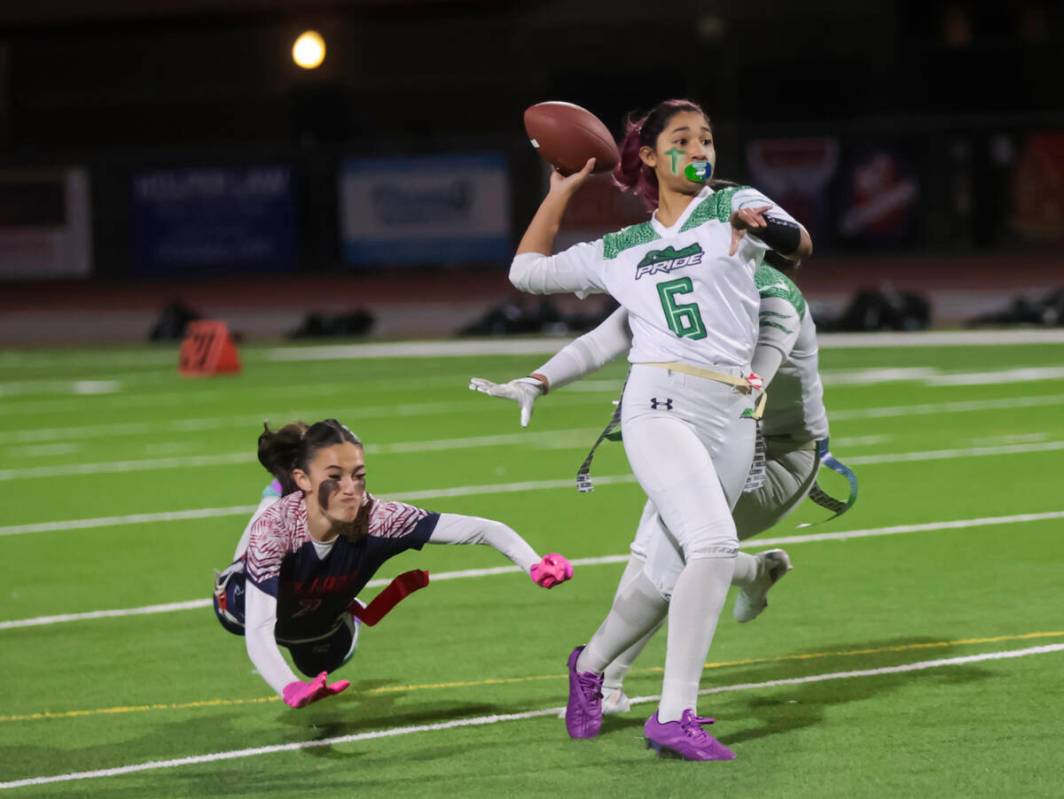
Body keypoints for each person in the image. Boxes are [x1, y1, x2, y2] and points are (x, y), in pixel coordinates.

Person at [506, 98, 811, 760]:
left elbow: (800, 241)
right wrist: (559, 192)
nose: (701, 148)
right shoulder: (623, 246)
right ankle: (675, 715)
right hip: (659, 403)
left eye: (708, 137)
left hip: (732, 414)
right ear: (647, 155)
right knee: (713, 542)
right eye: (683, 138)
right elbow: (525, 272)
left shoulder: (732, 205)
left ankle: (588, 667)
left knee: (669, 575)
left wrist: (767, 224)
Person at [472, 259, 859, 714]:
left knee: (667, 548)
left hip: (778, 454)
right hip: (713, 428)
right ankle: (751, 576)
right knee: (663, 546)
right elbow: (607, 337)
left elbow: (749, 386)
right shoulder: (682, 268)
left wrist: (661, 396)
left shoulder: (775, 298)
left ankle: (610, 682)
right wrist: (539, 381)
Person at [213, 418, 573, 708]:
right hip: (264, 603)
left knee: (322, 663)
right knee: (236, 602)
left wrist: (534, 564)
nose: (351, 489)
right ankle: (276, 488)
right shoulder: (275, 528)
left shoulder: (382, 519)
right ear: (304, 479)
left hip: (321, 621)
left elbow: (485, 530)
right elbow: (259, 631)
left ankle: (340, 615)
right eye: (334, 477)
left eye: (358, 475)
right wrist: (289, 688)